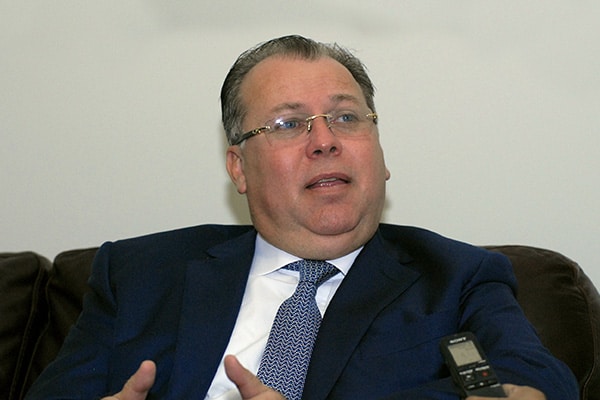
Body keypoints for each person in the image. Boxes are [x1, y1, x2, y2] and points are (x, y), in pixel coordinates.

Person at [25, 35, 578, 400]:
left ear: (381, 155)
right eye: (288, 125)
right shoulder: (137, 272)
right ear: (239, 168)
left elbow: (537, 383)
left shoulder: (456, 276)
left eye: (346, 117)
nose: (325, 141)